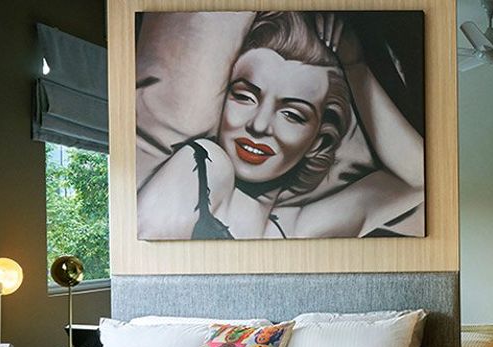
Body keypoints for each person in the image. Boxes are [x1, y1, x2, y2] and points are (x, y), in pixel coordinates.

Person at [136, 11, 424, 239]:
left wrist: (355, 67)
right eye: (245, 97)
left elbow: (420, 179)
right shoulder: (204, 164)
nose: (259, 126)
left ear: (319, 141)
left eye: (292, 115)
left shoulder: (297, 229)